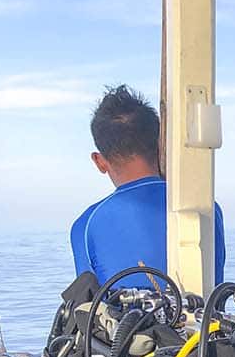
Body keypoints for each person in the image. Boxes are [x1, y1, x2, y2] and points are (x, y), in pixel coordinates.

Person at [70, 84, 226, 286]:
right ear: (162, 146)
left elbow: (88, 307)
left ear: (99, 161)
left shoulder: (86, 225)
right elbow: (216, 289)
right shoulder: (206, 208)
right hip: (205, 317)